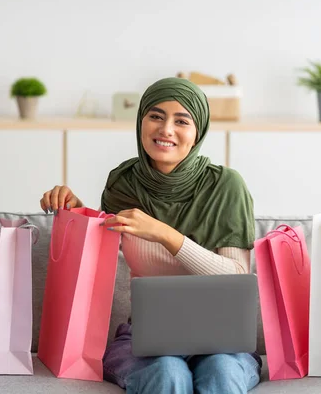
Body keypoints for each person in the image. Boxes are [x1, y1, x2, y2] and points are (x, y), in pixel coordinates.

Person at [40, 77, 261, 394]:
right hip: (146, 335)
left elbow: (237, 277)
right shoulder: (124, 182)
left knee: (221, 374)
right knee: (168, 373)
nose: (166, 129)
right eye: (156, 116)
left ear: (198, 132)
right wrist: (77, 212)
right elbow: (99, 251)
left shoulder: (226, 186)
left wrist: (165, 235)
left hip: (221, 339)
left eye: (181, 120)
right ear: (141, 121)